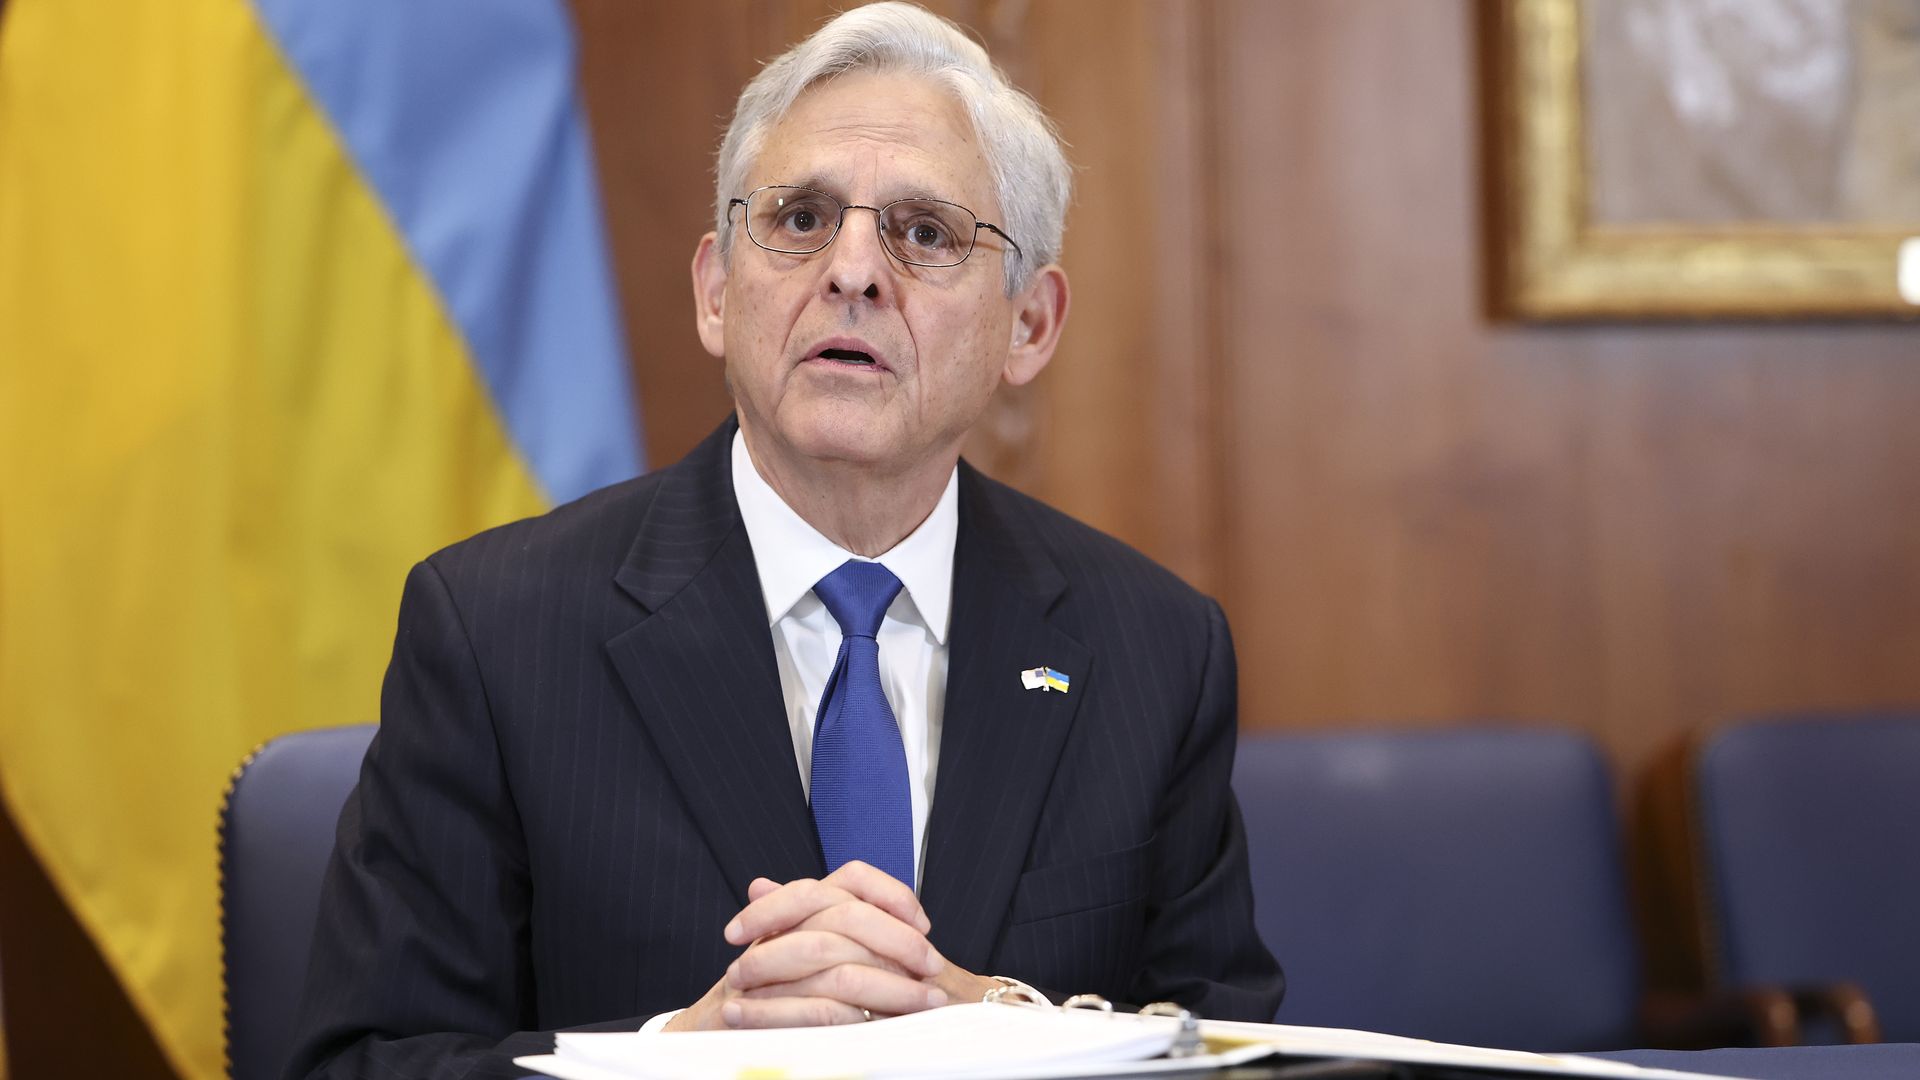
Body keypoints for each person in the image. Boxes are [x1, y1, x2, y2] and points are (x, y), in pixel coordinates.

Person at [285, 4, 1282, 1077]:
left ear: (1028, 326)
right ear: (717, 291)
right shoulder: (495, 631)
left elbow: (1237, 1054)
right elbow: (365, 1061)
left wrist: (1005, 1022)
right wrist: (679, 1058)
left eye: (926, 233)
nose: (852, 271)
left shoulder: (1152, 651)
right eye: (801, 219)